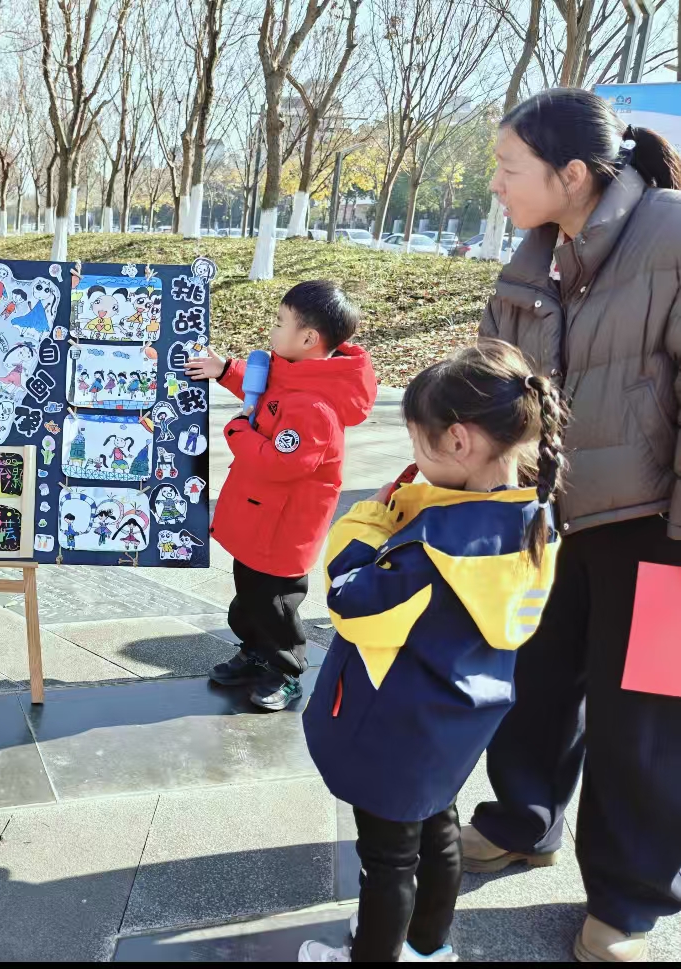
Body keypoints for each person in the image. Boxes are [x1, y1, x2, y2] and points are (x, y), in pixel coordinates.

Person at [466, 89, 681, 963]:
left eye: (508, 167)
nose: (496, 183)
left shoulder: (671, 235)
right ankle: (523, 819)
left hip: (662, 531)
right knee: (535, 679)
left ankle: (628, 900)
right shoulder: (532, 258)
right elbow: (493, 378)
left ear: (574, 174)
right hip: (549, 517)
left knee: (648, 719)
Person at [299, 342, 568, 963]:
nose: (414, 458)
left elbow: (351, 601)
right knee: (439, 828)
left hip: (398, 721)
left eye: (418, 442)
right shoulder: (531, 516)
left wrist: (367, 522)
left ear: (458, 440)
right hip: (456, 719)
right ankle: (428, 948)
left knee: (388, 858)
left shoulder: (430, 548)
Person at [184, 280, 376, 711]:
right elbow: (266, 390)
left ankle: (286, 670)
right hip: (261, 516)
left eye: (278, 322)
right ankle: (255, 652)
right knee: (250, 595)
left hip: (283, 527)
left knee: (276, 604)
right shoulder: (294, 371)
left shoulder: (315, 407)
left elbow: (281, 462)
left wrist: (236, 431)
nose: (270, 329)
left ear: (308, 339)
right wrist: (225, 370)